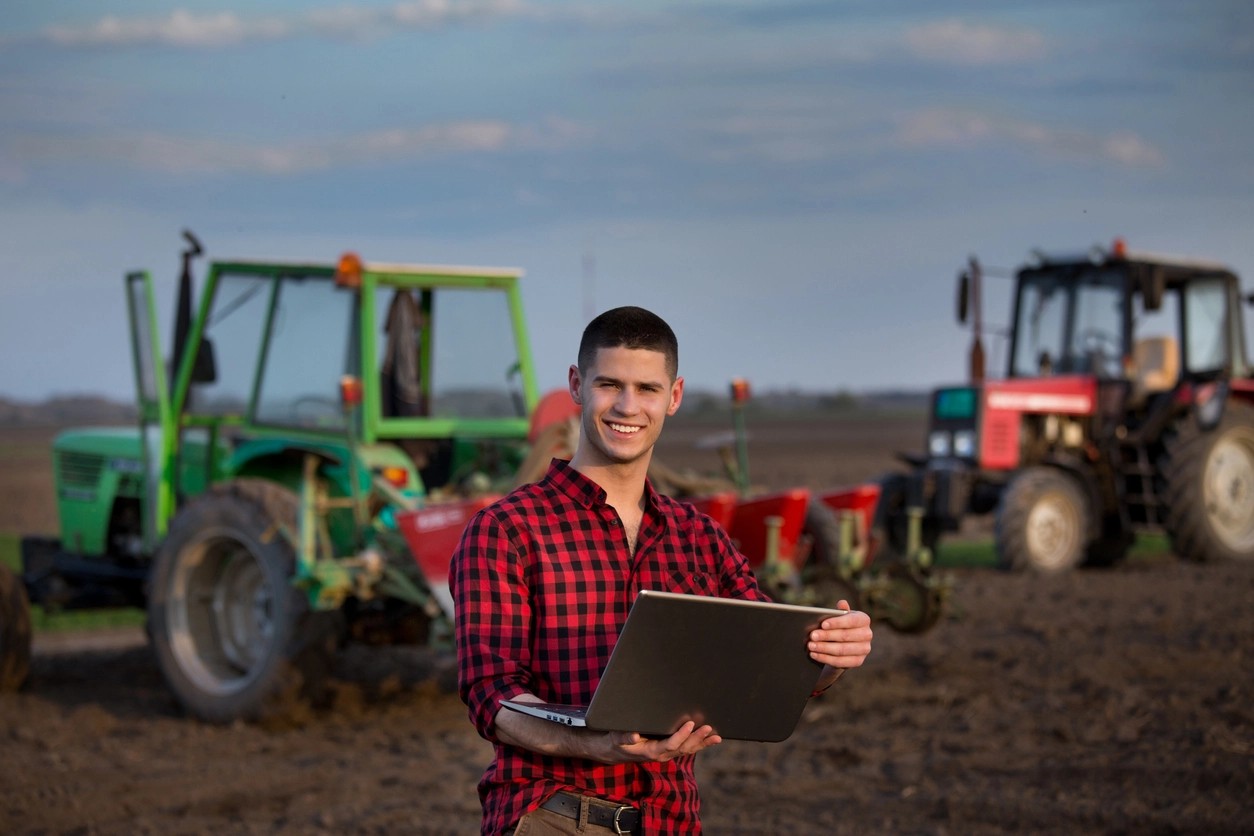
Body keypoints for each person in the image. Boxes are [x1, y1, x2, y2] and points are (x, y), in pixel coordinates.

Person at [451, 306, 873, 835]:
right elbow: (494, 698)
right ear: (577, 386)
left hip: (672, 821)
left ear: (673, 397)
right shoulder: (507, 530)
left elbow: (770, 657)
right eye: (609, 384)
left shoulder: (699, 538)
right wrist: (596, 745)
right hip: (556, 815)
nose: (628, 406)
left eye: (647, 389)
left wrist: (830, 653)